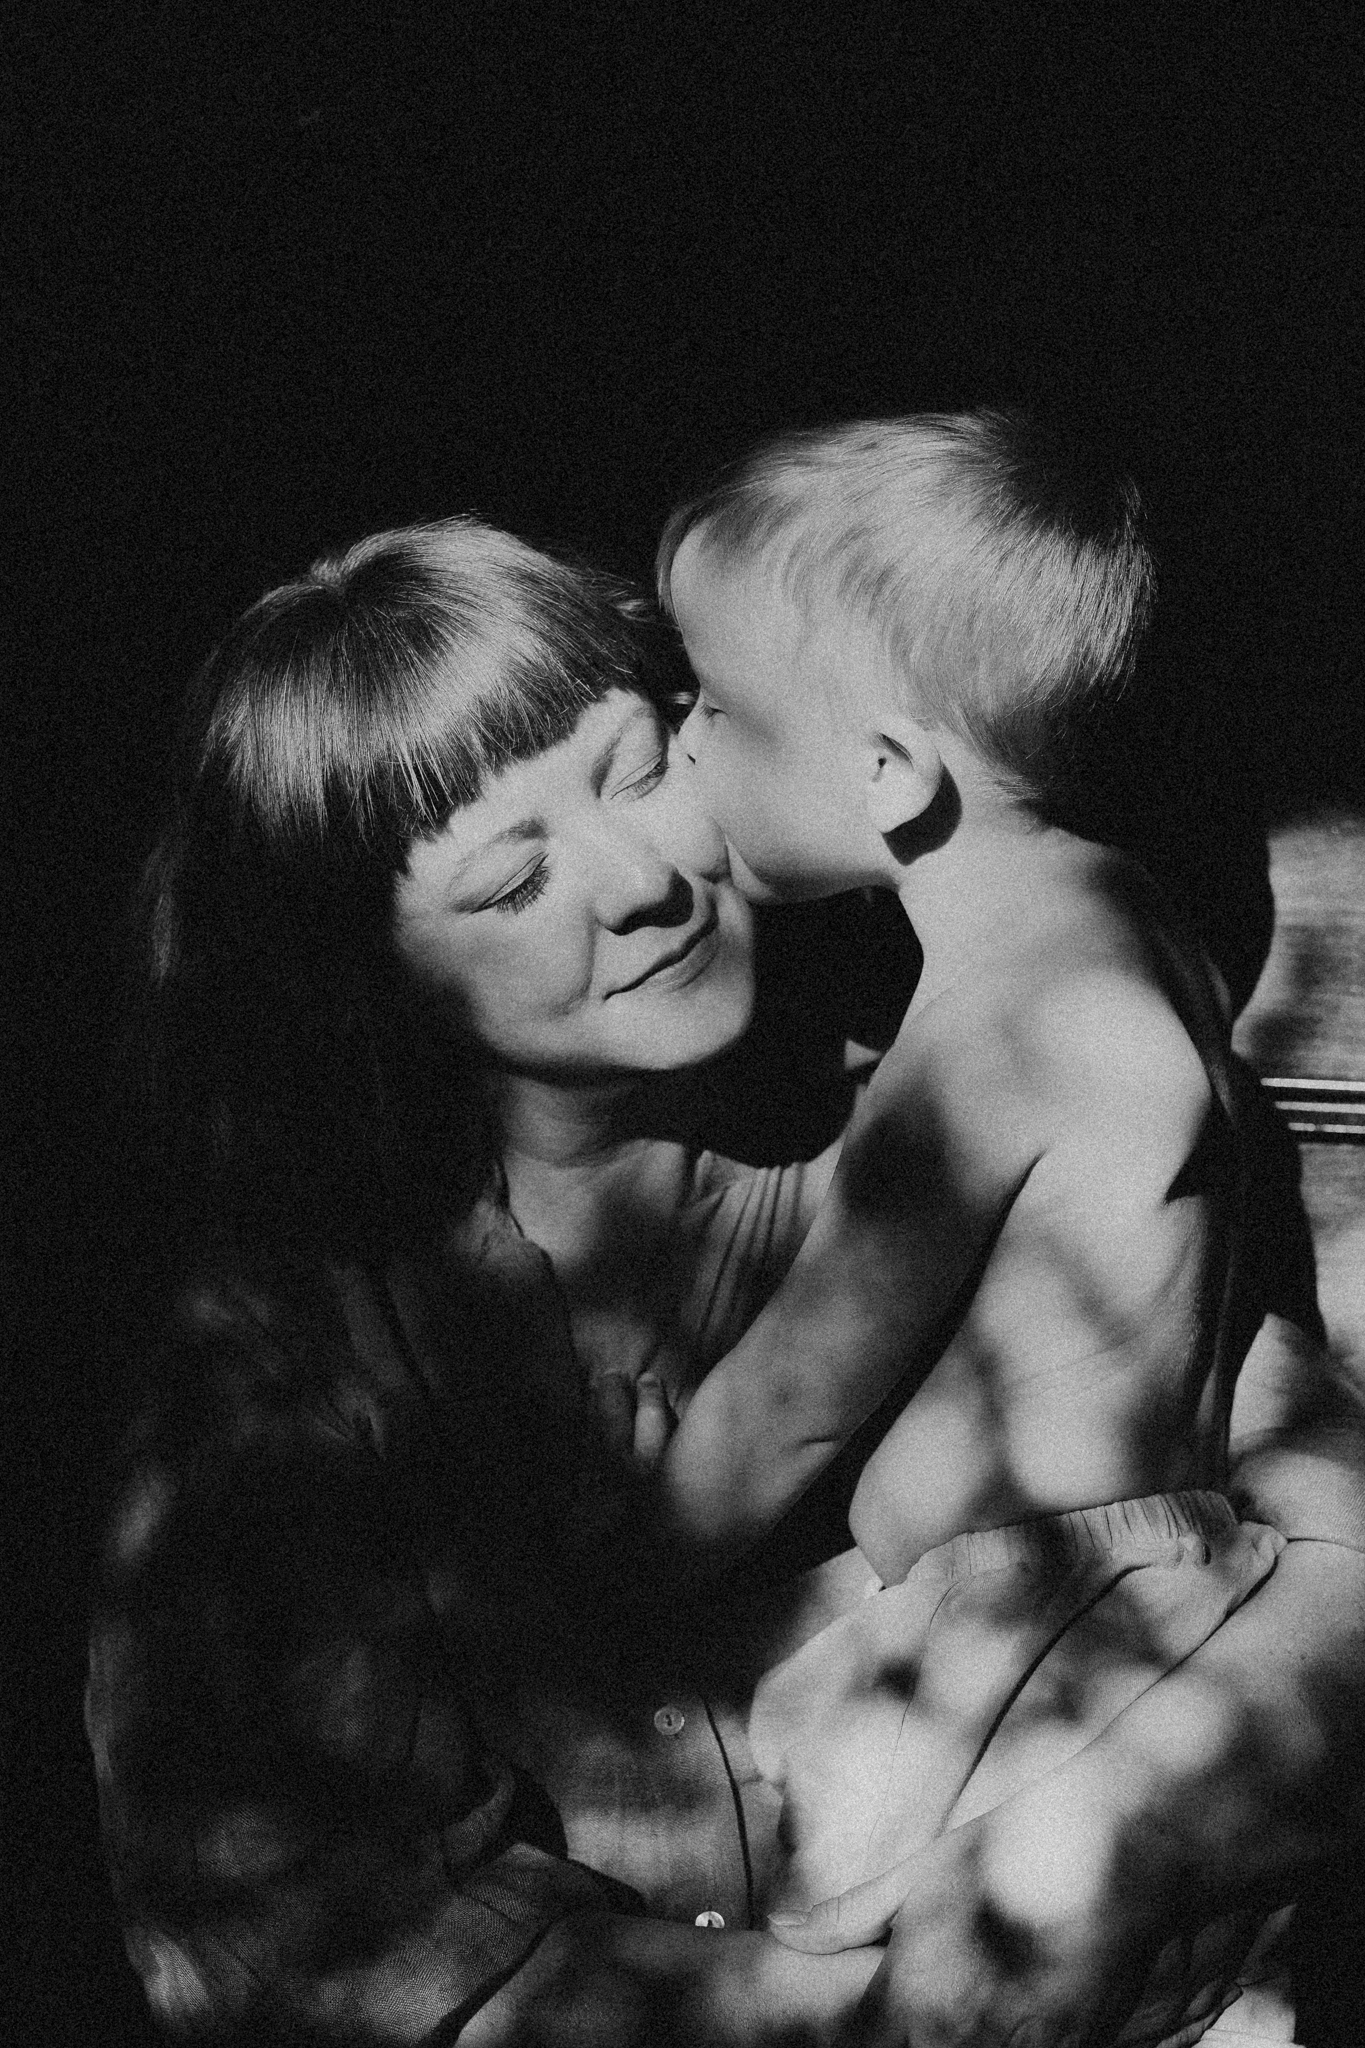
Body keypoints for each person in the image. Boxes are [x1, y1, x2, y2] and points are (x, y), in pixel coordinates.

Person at [86, 514, 1365, 2048]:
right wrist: (889, 2015)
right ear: (356, 975)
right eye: (508, 886)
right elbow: (311, 1948)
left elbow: (1331, 1547)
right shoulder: (296, 1358)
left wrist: (1100, 1853)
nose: (640, 883)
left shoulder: (944, 1120)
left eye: (639, 772)